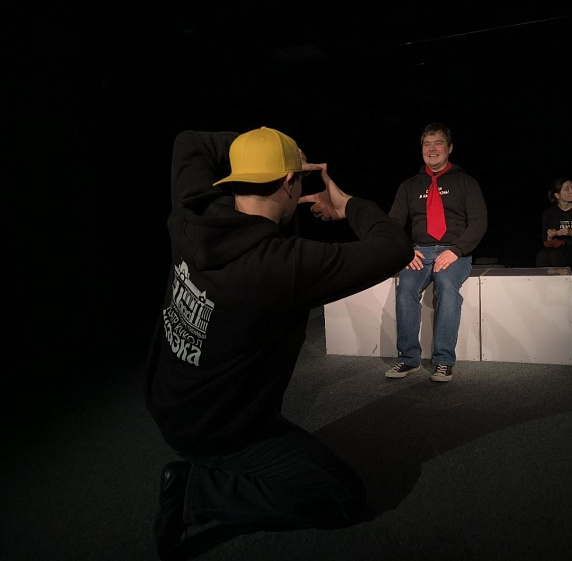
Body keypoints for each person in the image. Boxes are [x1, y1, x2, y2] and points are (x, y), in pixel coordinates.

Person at [145, 127, 414, 559]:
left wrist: (260, 152)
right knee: (342, 495)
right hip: (216, 429)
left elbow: (188, 141)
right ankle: (196, 491)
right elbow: (394, 247)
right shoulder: (280, 267)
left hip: (168, 400)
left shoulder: (193, 207)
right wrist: (346, 204)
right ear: (290, 183)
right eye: (298, 178)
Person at [385, 122, 487, 383]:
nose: (432, 149)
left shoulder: (466, 182)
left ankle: (443, 361)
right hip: (418, 252)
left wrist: (456, 251)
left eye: (438, 143)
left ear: (449, 148)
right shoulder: (409, 185)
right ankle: (408, 358)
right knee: (406, 289)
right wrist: (405, 252)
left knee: (446, 286)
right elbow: (393, 224)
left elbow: (479, 222)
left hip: (453, 251)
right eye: (427, 144)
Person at [535, 177, 572, 296]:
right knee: (542, 256)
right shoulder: (549, 213)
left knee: (556, 255)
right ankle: (544, 292)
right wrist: (550, 235)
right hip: (557, 246)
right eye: (567, 189)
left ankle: (566, 289)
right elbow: (546, 240)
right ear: (557, 195)